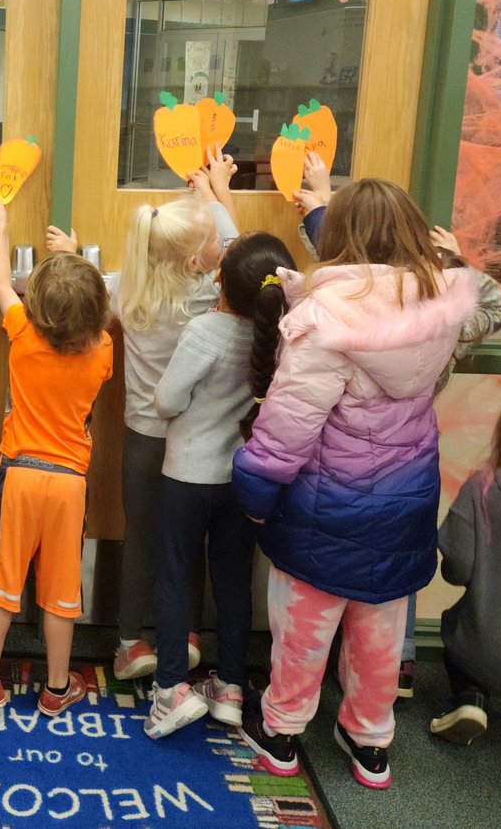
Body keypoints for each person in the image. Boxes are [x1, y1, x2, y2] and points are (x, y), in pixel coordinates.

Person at [233, 179, 479, 790]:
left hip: (325, 510)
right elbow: (374, 273)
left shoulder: (326, 321)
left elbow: (287, 429)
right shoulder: (437, 305)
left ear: (336, 240)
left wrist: (257, 496)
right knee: (380, 632)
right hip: (405, 503)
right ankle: (370, 742)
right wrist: (318, 206)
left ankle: (283, 732)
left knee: (305, 628)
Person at [293, 158, 501, 698]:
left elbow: (354, 269)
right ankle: (398, 670)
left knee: (321, 585)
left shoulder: (343, 309)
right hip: (407, 468)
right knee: (396, 572)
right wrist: (455, 261)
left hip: (340, 469)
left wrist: (322, 205)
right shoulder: (446, 313)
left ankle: (298, 700)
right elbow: (489, 306)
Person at [48, 153, 239, 681]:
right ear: (193, 260)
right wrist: (215, 192)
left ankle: (129, 642)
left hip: (142, 438)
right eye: (209, 244)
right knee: (187, 541)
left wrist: (69, 253)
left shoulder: (128, 288)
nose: (217, 247)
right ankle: (187, 632)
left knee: (141, 536)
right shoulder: (210, 293)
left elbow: (89, 284)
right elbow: (238, 247)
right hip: (195, 440)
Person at [146, 233, 295, 739]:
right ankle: (230, 688)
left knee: (174, 577)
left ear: (221, 283)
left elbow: (166, 401)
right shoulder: (282, 335)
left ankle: (171, 690)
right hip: (244, 480)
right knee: (232, 582)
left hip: (188, 476)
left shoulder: (204, 330)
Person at [0, 200, 113, 717]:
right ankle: (56, 685)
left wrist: (1, 226)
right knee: (59, 591)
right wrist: (78, 259)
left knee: (0, 585)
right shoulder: (102, 350)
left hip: (19, 478)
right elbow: (91, 312)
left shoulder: (23, 336)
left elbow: (2, 281)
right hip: (68, 485)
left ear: (35, 308)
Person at [429, 398, 501, 745]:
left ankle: (471, 696)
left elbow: (458, 568)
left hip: (488, 652)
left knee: (457, 624)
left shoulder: (484, 488)